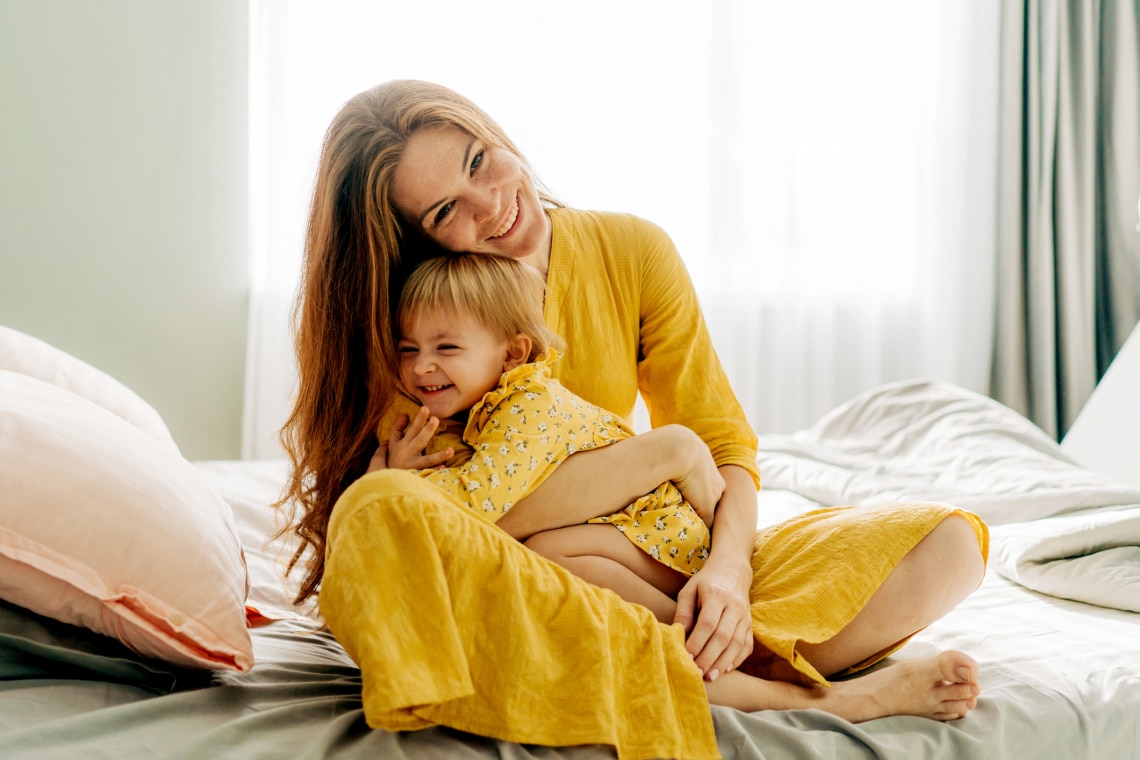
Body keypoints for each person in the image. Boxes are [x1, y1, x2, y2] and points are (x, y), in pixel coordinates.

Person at [277, 79, 989, 758]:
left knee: (952, 545)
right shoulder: (413, 325)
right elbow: (447, 528)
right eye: (445, 212)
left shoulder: (630, 250)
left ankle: (724, 645)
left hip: (652, 553)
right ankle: (781, 681)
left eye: (479, 161)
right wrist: (652, 462)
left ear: (494, 136)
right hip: (535, 579)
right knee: (420, 519)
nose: (490, 204)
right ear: (416, 240)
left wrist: (729, 575)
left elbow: (717, 443)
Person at [384, 253, 717, 619]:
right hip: (630, 536)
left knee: (547, 552)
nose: (420, 366)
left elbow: (477, 500)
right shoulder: (489, 409)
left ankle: (686, 633)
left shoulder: (526, 406)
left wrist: (396, 481)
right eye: (408, 349)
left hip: (661, 534)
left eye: (446, 347)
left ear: (512, 354)